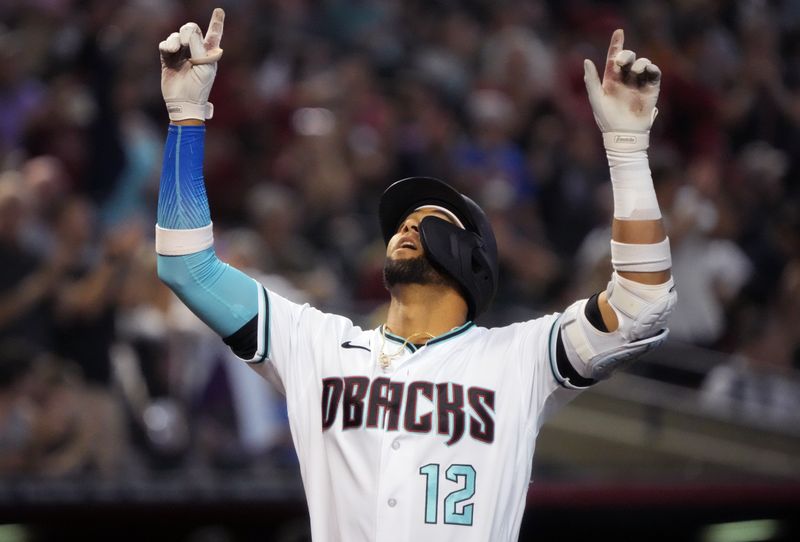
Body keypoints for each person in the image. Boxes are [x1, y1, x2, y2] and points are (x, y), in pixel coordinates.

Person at [155, 9, 676, 542]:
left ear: (473, 260)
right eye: (401, 222)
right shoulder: (317, 346)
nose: (406, 226)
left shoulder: (519, 359)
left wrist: (628, 148)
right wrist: (187, 113)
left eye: (428, 220)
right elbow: (187, 267)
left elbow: (640, 305)